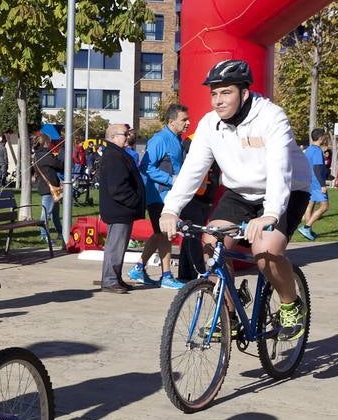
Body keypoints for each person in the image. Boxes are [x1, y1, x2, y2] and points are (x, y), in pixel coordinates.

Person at [160, 59, 314, 341]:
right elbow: (192, 170)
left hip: (287, 189)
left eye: (226, 92)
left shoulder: (271, 117)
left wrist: (270, 215)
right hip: (240, 192)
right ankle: (227, 313)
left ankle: (291, 304)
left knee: (265, 251)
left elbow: (280, 168)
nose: (218, 100)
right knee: (212, 244)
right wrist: (171, 209)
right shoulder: (209, 124)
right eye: (214, 93)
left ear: (244, 93)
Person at [133, 103, 191, 288]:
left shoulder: (177, 139)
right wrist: (170, 179)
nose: (188, 123)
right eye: (184, 120)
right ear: (172, 121)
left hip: (169, 197)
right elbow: (145, 167)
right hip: (158, 196)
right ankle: (166, 276)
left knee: (161, 234)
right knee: (165, 234)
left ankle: (139, 268)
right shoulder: (160, 139)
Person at [95, 123, 144, 294]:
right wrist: (134, 200)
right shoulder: (114, 156)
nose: (128, 136)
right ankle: (109, 280)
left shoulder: (117, 154)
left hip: (121, 209)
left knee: (119, 246)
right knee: (115, 246)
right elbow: (117, 187)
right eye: (125, 134)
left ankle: (115, 278)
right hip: (119, 210)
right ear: (114, 137)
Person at [298, 128, 331, 240]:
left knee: (310, 205)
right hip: (317, 183)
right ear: (321, 137)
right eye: (325, 136)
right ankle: (306, 227)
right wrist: (323, 184)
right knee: (325, 206)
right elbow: (317, 168)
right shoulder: (317, 150)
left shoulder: (309, 149)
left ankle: (308, 231)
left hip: (309, 181)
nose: (325, 138)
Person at [32, 127, 66, 235]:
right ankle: (43, 235)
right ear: (45, 142)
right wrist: (62, 153)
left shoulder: (39, 154)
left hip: (50, 188)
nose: (51, 144)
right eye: (49, 142)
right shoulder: (45, 155)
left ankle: (61, 233)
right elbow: (59, 165)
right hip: (48, 188)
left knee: (54, 214)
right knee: (46, 213)